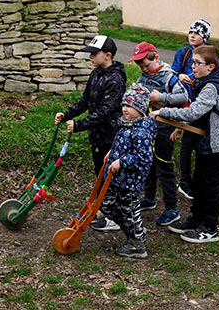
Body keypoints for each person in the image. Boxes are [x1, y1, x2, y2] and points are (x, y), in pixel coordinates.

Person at [150, 45, 219, 244]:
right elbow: (197, 116)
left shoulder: (211, 86)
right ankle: (196, 219)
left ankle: (210, 228)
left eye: (197, 63)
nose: (192, 67)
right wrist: (182, 126)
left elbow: (193, 111)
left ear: (211, 67)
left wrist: (164, 112)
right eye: (192, 62)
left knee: (211, 188)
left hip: (216, 147)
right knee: (199, 184)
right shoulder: (203, 81)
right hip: (204, 143)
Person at [55, 35, 126, 230]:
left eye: (94, 53)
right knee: (100, 173)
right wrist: (67, 114)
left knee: (112, 174)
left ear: (108, 55)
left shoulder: (116, 79)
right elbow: (86, 100)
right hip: (96, 134)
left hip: (111, 135)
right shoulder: (96, 74)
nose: (91, 57)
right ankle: (105, 207)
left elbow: (105, 111)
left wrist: (78, 125)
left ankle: (115, 216)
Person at [131, 42, 186, 226]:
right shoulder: (143, 77)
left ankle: (172, 209)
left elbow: (184, 97)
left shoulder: (169, 78)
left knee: (164, 168)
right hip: (148, 129)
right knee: (148, 164)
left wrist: (160, 98)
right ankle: (149, 198)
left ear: (156, 58)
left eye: (146, 64)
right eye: (140, 66)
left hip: (165, 130)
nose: (143, 68)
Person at [102, 84, 157, 259]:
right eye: (124, 105)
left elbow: (143, 158)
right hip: (117, 179)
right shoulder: (127, 124)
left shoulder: (142, 132)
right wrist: (112, 152)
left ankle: (137, 245)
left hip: (129, 181)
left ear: (140, 108)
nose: (124, 109)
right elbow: (122, 145)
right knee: (108, 206)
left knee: (129, 211)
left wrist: (122, 161)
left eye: (130, 106)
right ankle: (134, 230)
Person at [169, 19, 211, 200]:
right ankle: (185, 182)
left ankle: (201, 181)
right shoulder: (182, 52)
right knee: (186, 143)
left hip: (202, 102)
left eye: (198, 33)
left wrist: (196, 81)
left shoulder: (209, 53)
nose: (193, 35)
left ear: (205, 37)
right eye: (191, 32)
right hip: (184, 101)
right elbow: (173, 71)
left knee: (201, 143)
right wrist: (180, 76)